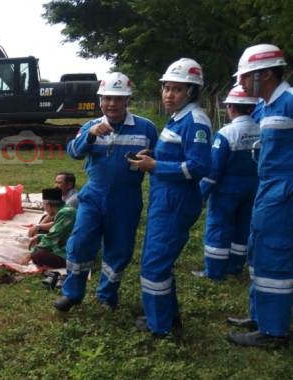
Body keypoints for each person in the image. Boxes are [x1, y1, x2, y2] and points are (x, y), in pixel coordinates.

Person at [54, 72, 158, 312]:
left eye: (118, 99)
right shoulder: (91, 126)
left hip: (127, 198)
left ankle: (107, 295)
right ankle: (72, 293)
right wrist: (90, 136)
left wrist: (151, 158)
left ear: (127, 101)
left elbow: (159, 155)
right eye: (107, 98)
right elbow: (74, 152)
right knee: (80, 243)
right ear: (100, 101)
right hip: (93, 195)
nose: (112, 104)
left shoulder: (145, 128)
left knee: (119, 249)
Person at [129, 58, 212, 337]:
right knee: (158, 261)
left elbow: (199, 166)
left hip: (176, 201)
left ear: (191, 92)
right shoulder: (177, 118)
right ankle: (167, 317)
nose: (168, 94)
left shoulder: (195, 121)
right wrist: (153, 156)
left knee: (154, 264)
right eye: (166, 88)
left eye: (176, 89)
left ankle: (160, 328)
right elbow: (174, 156)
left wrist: (155, 167)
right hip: (164, 198)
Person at [226, 44, 292, 348]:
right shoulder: (266, 107)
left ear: (266, 73)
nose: (241, 83)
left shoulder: (290, 102)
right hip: (266, 189)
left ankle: (274, 332)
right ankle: (260, 316)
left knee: (274, 258)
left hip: (285, 193)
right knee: (257, 252)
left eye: (246, 76)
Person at [193, 86, 259, 281]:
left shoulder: (226, 133)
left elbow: (213, 170)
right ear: (251, 108)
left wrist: (201, 194)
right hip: (253, 189)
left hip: (226, 191)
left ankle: (214, 272)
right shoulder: (261, 130)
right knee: (243, 227)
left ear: (230, 107)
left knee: (219, 227)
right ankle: (235, 266)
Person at [28, 188, 76, 269]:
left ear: (48, 204)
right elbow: (57, 227)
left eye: (43, 204)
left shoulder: (66, 213)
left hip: (72, 251)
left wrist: (31, 254)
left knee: (37, 255)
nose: (44, 207)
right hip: (66, 240)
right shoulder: (65, 208)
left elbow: (54, 237)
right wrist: (39, 236)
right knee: (39, 240)